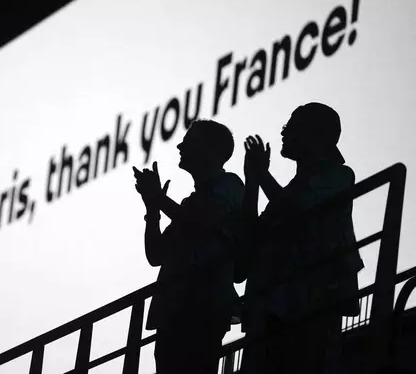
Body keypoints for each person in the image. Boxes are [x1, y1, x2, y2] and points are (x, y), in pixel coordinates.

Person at [239, 102, 364, 374]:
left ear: (315, 134)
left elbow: (300, 209)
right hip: (272, 306)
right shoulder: (287, 190)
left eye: (292, 126)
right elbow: (253, 236)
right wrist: (252, 181)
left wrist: (262, 175)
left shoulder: (339, 175)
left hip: (310, 302)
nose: (284, 133)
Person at [133, 119, 244, 373]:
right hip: (174, 310)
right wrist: (153, 210)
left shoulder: (231, 185)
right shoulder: (189, 203)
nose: (181, 145)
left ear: (212, 149)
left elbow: (201, 222)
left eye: (191, 140)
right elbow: (157, 253)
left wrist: (159, 199)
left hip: (202, 307)